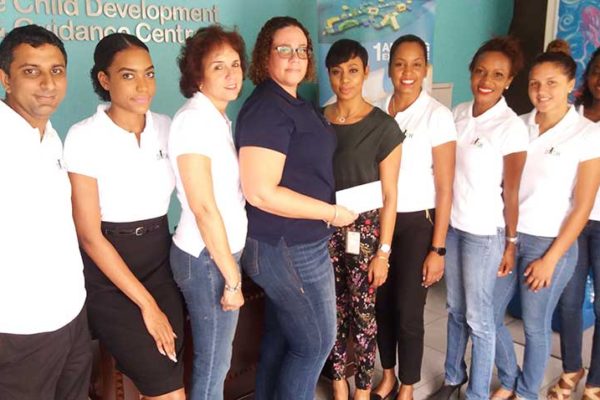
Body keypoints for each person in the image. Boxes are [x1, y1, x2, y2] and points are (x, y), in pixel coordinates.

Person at [235, 16, 357, 400]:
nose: (295, 57)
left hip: (295, 242)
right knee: (315, 343)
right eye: (284, 49)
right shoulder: (267, 110)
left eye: (301, 50)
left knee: (282, 337)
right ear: (265, 56)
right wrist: (331, 213)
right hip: (287, 247)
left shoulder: (294, 102)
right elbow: (260, 193)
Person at [63, 33, 185, 399]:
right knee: (164, 385)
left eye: (149, 73)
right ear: (104, 79)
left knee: (170, 378)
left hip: (161, 264)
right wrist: (147, 305)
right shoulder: (84, 136)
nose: (143, 86)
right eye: (128, 75)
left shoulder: (166, 126)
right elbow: (89, 235)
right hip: (109, 272)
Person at [492, 43, 600, 400]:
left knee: (535, 326)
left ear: (570, 84)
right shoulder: (518, 125)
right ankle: (510, 379)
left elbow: (583, 206)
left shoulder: (586, 134)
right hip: (510, 237)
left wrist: (551, 259)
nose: (541, 91)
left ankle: (527, 392)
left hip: (550, 244)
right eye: (535, 83)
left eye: (552, 83)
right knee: (488, 314)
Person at [428, 37, 528, 400]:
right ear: (471, 73)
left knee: (480, 319)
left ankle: (477, 394)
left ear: (509, 81)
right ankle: (453, 377)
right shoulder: (457, 113)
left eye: (498, 75)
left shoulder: (511, 127)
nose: (487, 80)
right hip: (453, 228)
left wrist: (511, 244)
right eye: (481, 71)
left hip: (485, 235)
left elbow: (511, 192)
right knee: (455, 309)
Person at [0, 24, 92, 400]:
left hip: (71, 314)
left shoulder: (50, 135)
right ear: (5, 79)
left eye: (56, 70)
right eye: (31, 71)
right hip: (19, 329)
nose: (48, 83)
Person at [372, 34, 456, 400]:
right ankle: (388, 375)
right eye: (400, 64)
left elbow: (445, 187)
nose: (407, 72)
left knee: (408, 310)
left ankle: (407, 385)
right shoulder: (376, 109)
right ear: (389, 68)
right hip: (378, 221)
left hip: (417, 224)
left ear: (426, 70)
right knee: (381, 305)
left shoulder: (437, 115)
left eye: (416, 64)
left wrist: (438, 248)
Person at [168, 25, 248, 400]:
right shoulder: (194, 120)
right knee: (214, 361)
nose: (232, 74)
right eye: (219, 66)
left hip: (217, 254)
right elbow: (203, 206)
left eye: (235, 64)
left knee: (218, 358)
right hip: (207, 258)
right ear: (198, 76)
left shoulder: (215, 117)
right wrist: (231, 278)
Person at [322, 39, 403, 400]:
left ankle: (364, 388)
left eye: (353, 71)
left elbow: (390, 196)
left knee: (364, 314)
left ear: (366, 72)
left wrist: (383, 252)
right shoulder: (318, 120)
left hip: (365, 232)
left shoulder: (383, 127)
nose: (345, 80)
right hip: (323, 227)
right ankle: (338, 381)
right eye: (337, 72)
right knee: (332, 310)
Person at [550, 46, 600, 400]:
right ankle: (571, 368)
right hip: (572, 221)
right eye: (597, 71)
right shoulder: (574, 116)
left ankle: (595, 381)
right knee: (568, 301)